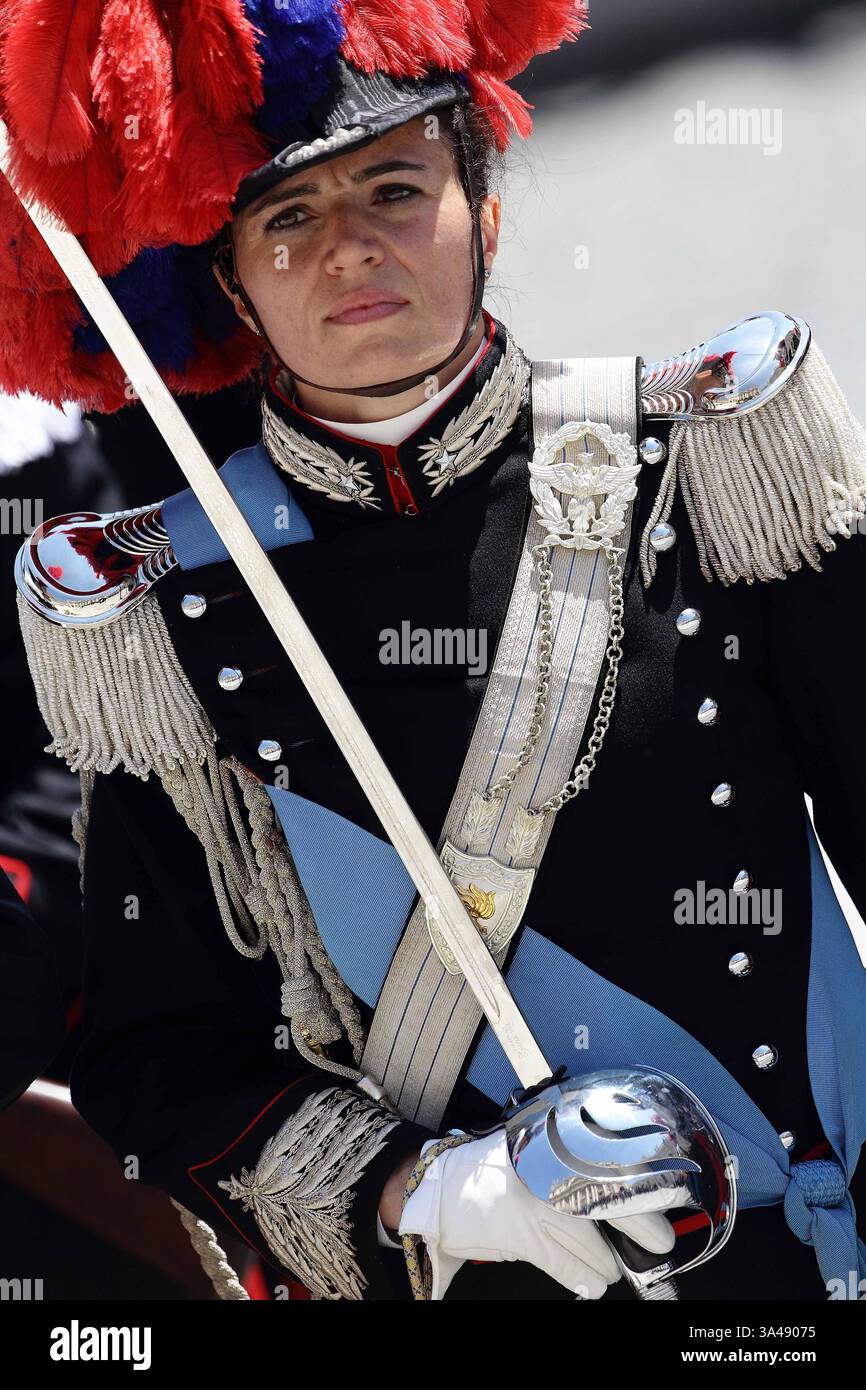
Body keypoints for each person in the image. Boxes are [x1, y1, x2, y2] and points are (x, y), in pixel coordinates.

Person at [4, 1, 866, 1302]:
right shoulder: (155, 613)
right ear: (232, 281)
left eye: (395, 188)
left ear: (485, 204)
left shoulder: (708, 453)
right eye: (286, 219)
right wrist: (438, 1190)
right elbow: (160, 1057)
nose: (348, 247)